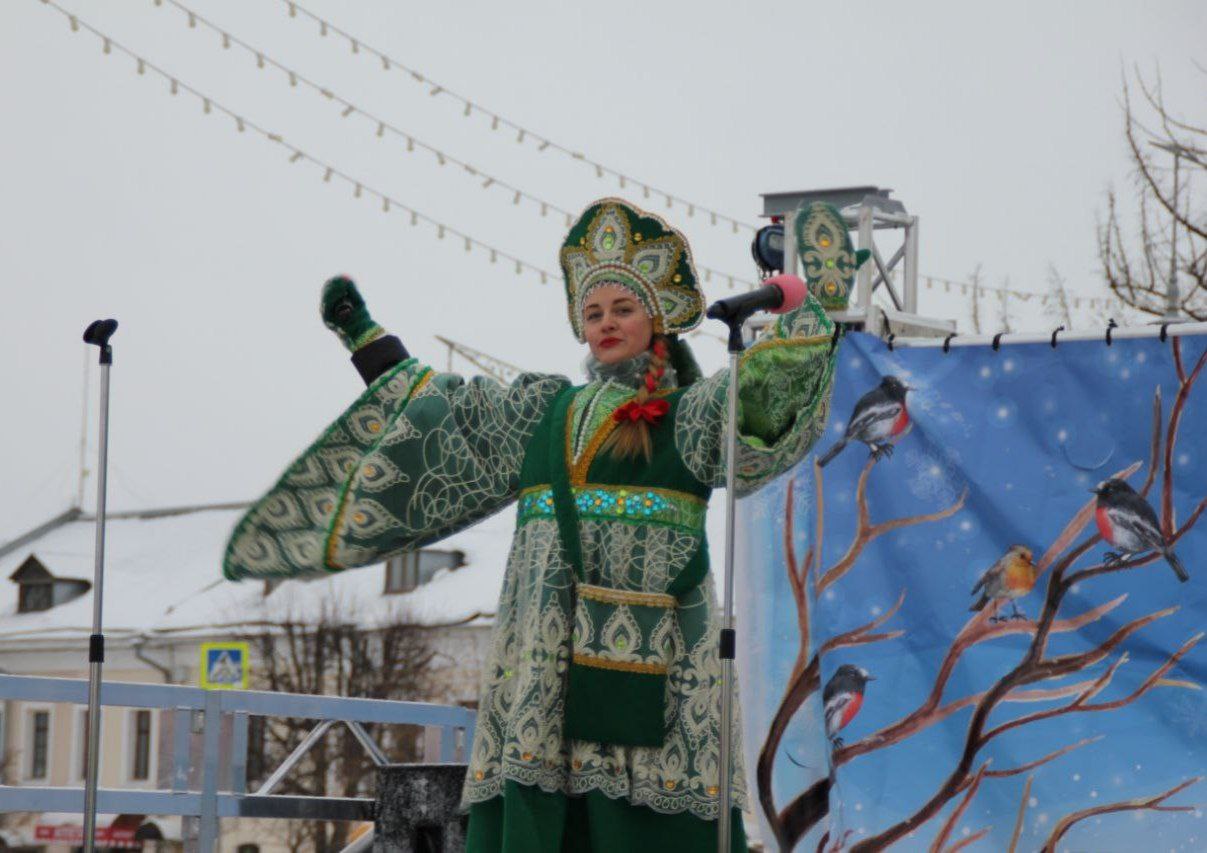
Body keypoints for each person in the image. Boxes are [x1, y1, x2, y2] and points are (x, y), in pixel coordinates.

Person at [223, 198, 855, 851]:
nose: (605, 323)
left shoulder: (687, 416)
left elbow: (755, 396)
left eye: (622, 308)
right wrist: (366, 339)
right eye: (592, 312)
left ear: (656, 318)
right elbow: (444, 419)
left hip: (647, 671)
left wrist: (812, 315)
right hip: (541, 681)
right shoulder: (542, 412)